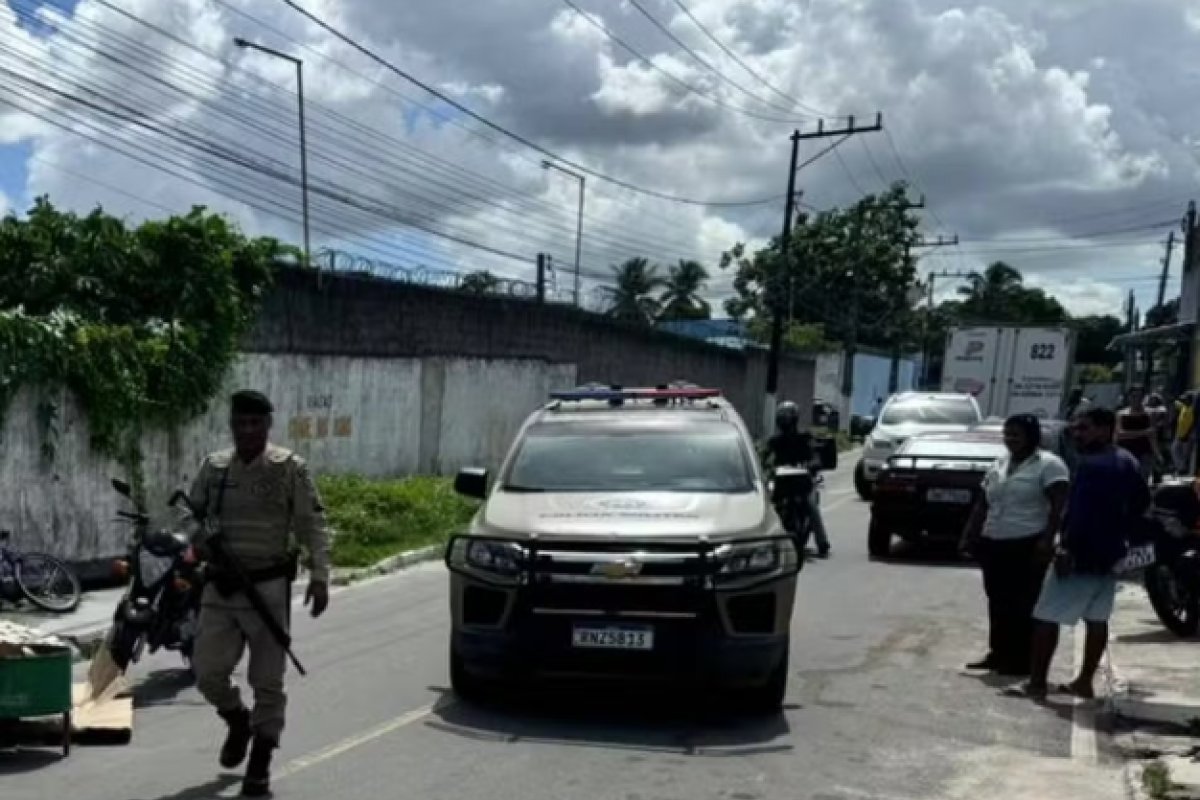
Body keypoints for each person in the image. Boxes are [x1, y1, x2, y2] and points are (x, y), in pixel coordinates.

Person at [189, 391, 332, 797]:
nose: (247, 431)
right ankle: (238, 720)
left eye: (255, 423)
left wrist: (320, 575)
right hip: (221, 586)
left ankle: (262, 758)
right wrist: (197, 540)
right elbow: (190, 514)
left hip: (267, 588)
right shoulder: (214, 467)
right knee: (207, 672)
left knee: (267, 680)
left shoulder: (289, 469)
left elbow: (312, 523)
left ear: (268, 424)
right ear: (232, 425)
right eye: (240, 423)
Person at [1014, 407, 1151, 700]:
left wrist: (1066, 548)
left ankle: (1037, 683)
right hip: (1112, 553)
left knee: (1046, 616)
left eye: (1084, 428)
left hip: (1082, 554)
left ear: (1104, 429)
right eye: (1075, 428)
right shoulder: (1126, 460)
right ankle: (1084, 682)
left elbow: (1080, 514)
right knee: (1097, 618)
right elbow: (1141, 502)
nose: (1077, 434)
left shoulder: (1093, 466)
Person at [961, 414, 1070, 676]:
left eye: (1016, 435)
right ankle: (998, 653)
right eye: (1007, 434)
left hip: (1028, 542)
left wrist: (1048, 540)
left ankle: (1022, 660)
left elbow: (1059, 507)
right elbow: (984, 502)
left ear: (1031, 436)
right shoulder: (1000, 463)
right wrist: (970, 534)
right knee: (997, 600)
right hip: (994, 541)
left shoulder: (1049, 465)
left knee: (1023, 603)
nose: (1010, 440)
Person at [762, 401, 832, 558]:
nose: (785, 422)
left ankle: (822, 542)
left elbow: (815, 457)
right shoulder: (775, 441)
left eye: (787, 418)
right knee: (768, 505)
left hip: (802, 482)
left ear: (794, 419)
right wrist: (762, 469)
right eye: (782, 419)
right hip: (782, 482)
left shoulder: (804, 438)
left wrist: (811, 465)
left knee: (811, 505)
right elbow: (763, 457)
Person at [1116, 386, 1157, 482]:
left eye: (1140, 396)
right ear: (1129, 397)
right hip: (1126, 451)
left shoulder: (1150, 414)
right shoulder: (1121, 414)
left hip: (1145, 451)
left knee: (1143, 479)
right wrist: (1143, 432)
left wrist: (1157, 453)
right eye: (1134, 396)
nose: (1137, 399)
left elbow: (1152, 435)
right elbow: (1120, 434)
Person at [1172, 391, 1195, 476]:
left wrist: (1188, 435)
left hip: (1187, 436)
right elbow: (1175, 402)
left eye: (1186, 399)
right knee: (1175, 450)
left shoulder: (1191, 410)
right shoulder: (1184, 407)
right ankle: (1180, 468)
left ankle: (1182, 470)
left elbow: (1192, 424)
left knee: (1185, 455)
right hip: (1179, 435)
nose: (1185, 400)